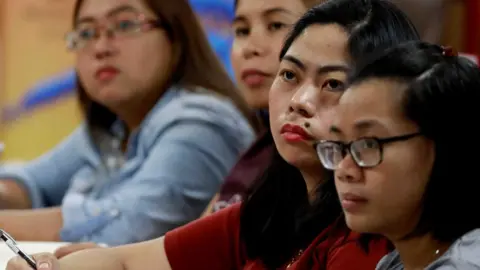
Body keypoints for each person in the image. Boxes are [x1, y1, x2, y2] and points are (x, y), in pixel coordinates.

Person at [6, 0, 421, 269]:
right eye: (290, 75)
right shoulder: (271, 203)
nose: (300, 101)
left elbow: (127, 225)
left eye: (332, 83)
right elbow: (123, 259)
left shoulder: (202, 119)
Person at [0, 0, 256, 246]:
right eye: (87, 33)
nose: (101, 47)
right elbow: (33, 182)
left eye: (124, 25)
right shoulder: (116, 124)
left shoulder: (204, 124)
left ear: (175, 35)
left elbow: (122, 228)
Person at [315, 41, 480, 269]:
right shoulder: (396, 262)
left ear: (445, 146)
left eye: (369, 145)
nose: (343, 170)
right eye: (340, 145)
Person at [203, 0, 325, 215]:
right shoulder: (258, 149)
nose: (250, 48)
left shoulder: (319, 159)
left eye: (276, 25)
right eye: (242, 31)